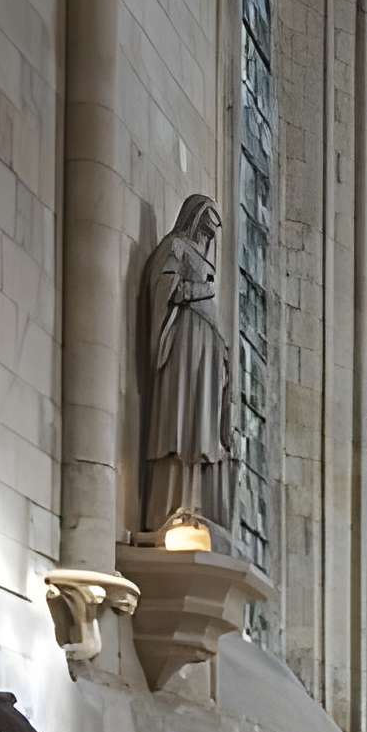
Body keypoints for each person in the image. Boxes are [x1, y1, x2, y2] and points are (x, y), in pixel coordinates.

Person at [140, 197, 234, 537]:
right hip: (185, 348)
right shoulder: (176, 246)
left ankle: (195, 506)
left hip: (206, 354)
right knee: (180, 424)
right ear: (194, 218)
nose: (210, 234)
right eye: (207, 224)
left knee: (202, 431)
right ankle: (170, 507)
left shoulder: (199, 255)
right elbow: (163, 288)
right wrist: (199, 290)